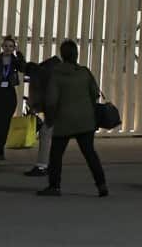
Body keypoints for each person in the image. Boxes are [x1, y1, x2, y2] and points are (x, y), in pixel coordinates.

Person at [36, 39, 108, 197]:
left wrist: (49, 118)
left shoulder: (56, 74)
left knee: (56, 155)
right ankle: (101, 185)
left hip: (64, 121)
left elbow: (51, 100)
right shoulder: (84, 72)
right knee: (90, 154)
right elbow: (95, 94)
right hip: (85, 120)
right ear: (76, 54)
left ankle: (54, 186)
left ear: (62, 55)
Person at [24, 51, 63, 177]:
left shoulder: (40, 75)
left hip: (55, 113)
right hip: (70, 113)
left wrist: (34, 108)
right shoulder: (58, 71)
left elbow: (44, 97)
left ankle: (42, 166)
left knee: (46, 134)